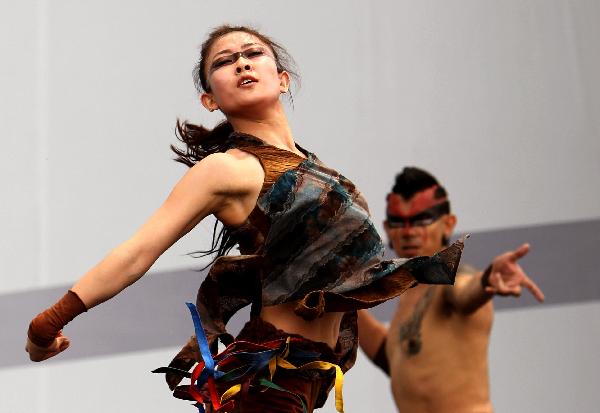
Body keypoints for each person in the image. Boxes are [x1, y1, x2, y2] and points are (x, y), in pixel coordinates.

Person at [25, 26, 464, 413]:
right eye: (225, 61)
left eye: (253, 54)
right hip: (269, 381)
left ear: (283, 78)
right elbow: (138, 252)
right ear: (209, 99)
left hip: (306, 382)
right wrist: (48, 322)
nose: (241, 63)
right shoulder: (226, 169)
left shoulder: (321, 172)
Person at [358, 167, 545, 413]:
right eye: (398, 222)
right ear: (387, 228)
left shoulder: (453, 278)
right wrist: (341, 303)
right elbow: (396, 360)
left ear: (448, 224)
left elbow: (466, 293)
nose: (409, 231)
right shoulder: (410, 291)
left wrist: (488, 279)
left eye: (421, 220)